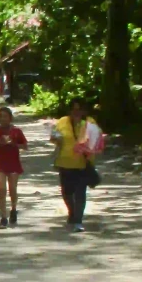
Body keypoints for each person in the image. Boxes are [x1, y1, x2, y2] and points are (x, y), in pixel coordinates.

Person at [50, 98, 102, 232]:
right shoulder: (62, 121)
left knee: (80, 193)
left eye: (79, 109)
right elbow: (53, 137)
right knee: (67, 192)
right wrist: (55, 138)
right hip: (64, 162)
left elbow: (98, 140)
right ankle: (72, 213)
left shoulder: (90, 123)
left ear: (84, 110)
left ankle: (78, 220)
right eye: (73, 109)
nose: (76, 112)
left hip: (83, 163)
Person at [0, 106, 28, 228]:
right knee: (2, 189)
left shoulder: (16, 131)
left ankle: (14, 209)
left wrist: (14, 144)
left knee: (12, 188)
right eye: (0, 117)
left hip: (13, 162)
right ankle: (3, 217)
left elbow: (25, 146)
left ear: (10, 118)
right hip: (0, 163)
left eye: (5, 116)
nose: (3, 119)